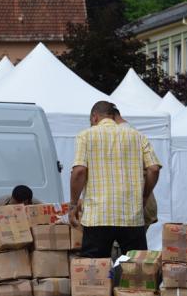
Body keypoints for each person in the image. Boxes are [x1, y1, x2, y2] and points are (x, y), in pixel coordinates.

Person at [69, 101, 161, 258]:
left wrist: (73, 204)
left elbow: (79, 171)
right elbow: (153, 168)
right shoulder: (137, 136)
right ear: (112, 116)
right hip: (131, 216)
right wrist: (145, 195)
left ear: (95, 117)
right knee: (137, 269)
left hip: (98, 216)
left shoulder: (85, 136)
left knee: (94, 270)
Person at [109, 104, 158, 230]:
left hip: (127, 205)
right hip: (142, 203)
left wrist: (144, 196)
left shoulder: (116, 137)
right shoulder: (136, 134)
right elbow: (153, 169)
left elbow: (154, 168)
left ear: (111, 117)